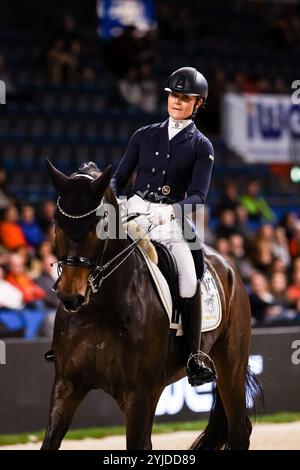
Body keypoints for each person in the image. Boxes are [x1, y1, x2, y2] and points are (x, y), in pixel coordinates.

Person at [111, 67, 215, 386]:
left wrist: (170, 213)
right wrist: (119, 200)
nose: (177, 102)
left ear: (198, 104)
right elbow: (118, 177)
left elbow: (198, 195)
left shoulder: (201, 146)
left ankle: (193, 355)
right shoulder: (143, 135)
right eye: (173, 96)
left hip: (170, 218)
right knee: (94, 254)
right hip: (135, 209)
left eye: (185, 99)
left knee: (187, 278)